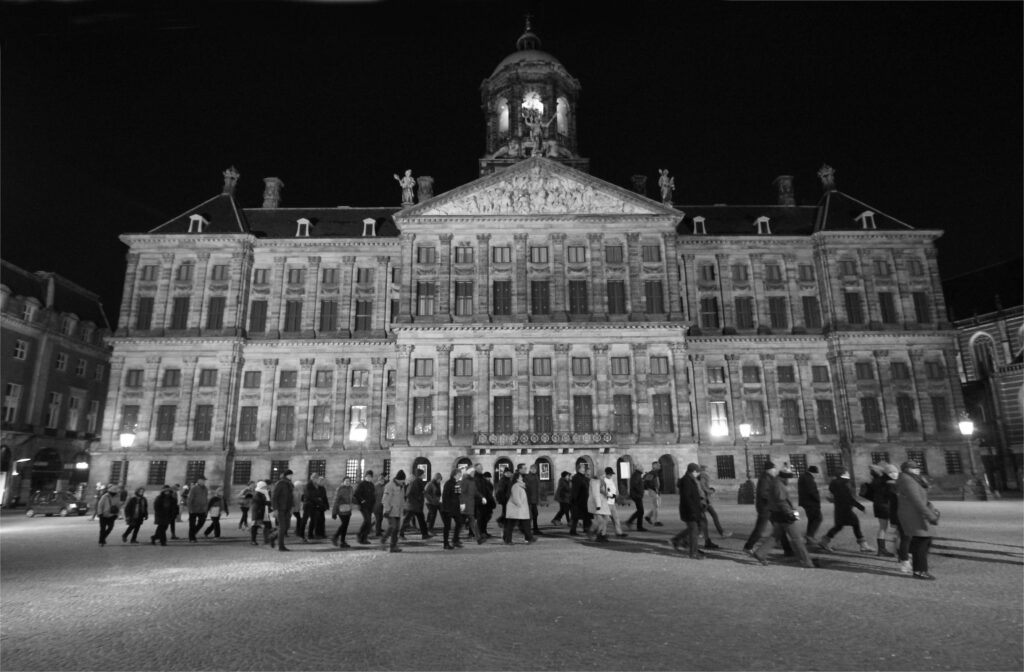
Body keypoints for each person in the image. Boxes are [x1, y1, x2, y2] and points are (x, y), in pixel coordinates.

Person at [754, 467, 814, 568]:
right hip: (783, 514)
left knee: (776, 536)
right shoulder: (778, 485)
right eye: (788, 478)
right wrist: (790, 513)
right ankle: (806, 561)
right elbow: (781, 501)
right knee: (797, 538)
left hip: (777, 513)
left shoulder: (776, 482)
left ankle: (760, 553)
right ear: (785, 477)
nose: (789, 480)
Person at [897, 460, 940, 580]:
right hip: (913, 515)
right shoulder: (908, 480)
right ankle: (919, 570)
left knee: (923, 541)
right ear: (907, 469)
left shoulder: (913, 479)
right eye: (914, 468)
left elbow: (921, 499)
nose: (917, 469)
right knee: (922, 541)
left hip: (916, 514)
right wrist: (930, 516)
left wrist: (930, 508)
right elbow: (916, 501)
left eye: (917, 467)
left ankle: (917, 567)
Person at [819, 468, 871, 553]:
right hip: (845, 509)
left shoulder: (835, 483)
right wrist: (861, 507)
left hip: (839, 508)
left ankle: (824, 541)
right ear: (843, 474)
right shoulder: (843, 484)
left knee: (839, 526)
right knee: (855, 524)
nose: (848, 474)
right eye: (847, 472)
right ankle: (863, 545)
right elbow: (848, 498)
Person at [743, 460, 779, 555]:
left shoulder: (768, 477)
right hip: (765, 508)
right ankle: (748, 546)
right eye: (774, 468)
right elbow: (763, 493)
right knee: (760, 530)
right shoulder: (765, 478)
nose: (775, 470)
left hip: (770, 507)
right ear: (769, 469)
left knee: (778, 527)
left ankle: (786, 547)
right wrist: (774, 498)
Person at [671, 463, 705, 559]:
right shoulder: (687, 480)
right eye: (697, 472)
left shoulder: (690, 479)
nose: (697, 474)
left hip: (692, 509)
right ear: (693, 471)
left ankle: (677, 540)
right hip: (689, 510)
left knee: (694, 529)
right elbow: (687, 497)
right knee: (694, 531)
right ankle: (693, 552)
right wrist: (693, 510)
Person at [864, 463, 898, 557]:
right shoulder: (889, 481)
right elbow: (893, 495)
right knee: (898, 528)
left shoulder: (876, 480)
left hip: (877, 505)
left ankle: (881, 550)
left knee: (882, 527)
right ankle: (899, 550)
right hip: (887, 505)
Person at [503, 472, 537, 545]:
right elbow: (515, 498)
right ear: (517, 478)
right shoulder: (516, 486)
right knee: (511, 525)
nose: (522, 478)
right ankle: (508, 540)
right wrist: (520, 505)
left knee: (525, 523)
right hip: (516, 509)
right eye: (521, 477)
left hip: (520, 509)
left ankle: (529, 538)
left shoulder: (521, 485)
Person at [382, 470, 408, 553]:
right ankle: (390, 545)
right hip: (390, 511)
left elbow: (402, 499)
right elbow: (385, 499)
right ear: (398, 479)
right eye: (403, 480)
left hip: (398, 511)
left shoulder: (402, 486)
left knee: (395, 528)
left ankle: (390, 544)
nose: (404, 481)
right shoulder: (389, 486)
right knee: (394, 527)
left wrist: (403, 508)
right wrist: (387, 508)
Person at [401, 468, 432, 540]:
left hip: (415, 505)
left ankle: (425, 534)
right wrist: (417, 499)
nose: (424, 475)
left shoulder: (416, 481)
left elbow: (422, 492)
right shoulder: (417, 481)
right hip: (413, 505)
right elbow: (409, 493)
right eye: (423, 474)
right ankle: (401, 534)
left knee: (421, 520)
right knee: (408, 520)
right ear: (420, 475)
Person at [698, 465, 726, 540]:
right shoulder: (703, 475)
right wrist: (710, 491)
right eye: (706, 468)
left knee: (703, 518)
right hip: (704, 500)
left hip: (703, 500)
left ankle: (700, 533)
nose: (708, 470)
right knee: (710, 517)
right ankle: (721, 533)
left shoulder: (700, 475)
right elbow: (703, 486)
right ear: (704, 469)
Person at [798, 465, 823, 546]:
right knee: (818, 518)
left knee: (812, 519)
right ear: (813, 472)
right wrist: (817, 498)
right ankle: (810, 536)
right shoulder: (808, 478)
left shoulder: (803, 476)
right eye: (816, 473)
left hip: (805, 502)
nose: (816, 475)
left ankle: (810, 537)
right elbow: (812, 491)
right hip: (811, 502)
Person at [270, 470, 295, 552]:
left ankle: (273, 537)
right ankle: (281, 546)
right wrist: (275, 509)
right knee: (282, 527)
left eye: (291, 475)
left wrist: (292, 506)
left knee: (286, 526)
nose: (291, 476)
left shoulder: (290, 484)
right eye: (290, 475)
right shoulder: (280, 483)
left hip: (287, 508)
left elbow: (291, 496)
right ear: (286, 475)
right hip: (280, 508)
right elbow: (274, 497)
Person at [440, 469, 465, 550]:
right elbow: (445, 496)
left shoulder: (456, 483)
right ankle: (446, 544)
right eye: (459, 474)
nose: (460, 476)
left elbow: (457, 495)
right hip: (448, 508)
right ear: (454, 475)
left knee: (459, 522)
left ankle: (455, 540)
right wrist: (447, 508)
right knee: (447, 527)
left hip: (455, 508)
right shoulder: (449, 483)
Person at [460, 466, 484, 544]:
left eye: (474, 472)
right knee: (460, 523)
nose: (474, 473)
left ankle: (478, 538)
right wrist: (462, 503)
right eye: (473, 472)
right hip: (465, 505)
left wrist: (482, 497)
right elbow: (462, 493)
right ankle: (455, 539)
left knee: (472, 521)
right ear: (469, 473)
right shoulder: (465, 481)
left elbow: (475, 491)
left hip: (470, 505)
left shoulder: (472, 481)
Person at [602, 467, 627, 538]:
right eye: (610, 474)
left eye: (611, 474)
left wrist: (617, 497)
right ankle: (602, 533)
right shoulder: (604, 480)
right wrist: (611, 495)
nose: (611, 475)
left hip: (612, 502)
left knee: (616, 518)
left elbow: (614, 490)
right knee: (605, 519)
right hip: (606, 503)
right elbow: (604, 491)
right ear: (606, 473)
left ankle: (619, 532)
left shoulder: (611, 480)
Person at [587, 470, 610, 542]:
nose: (604, 477)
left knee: (606, 518)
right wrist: (598, 505)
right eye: (603, 475)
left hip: (603, 502)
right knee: (600, 520)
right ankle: (593, 532)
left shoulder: (601, 481)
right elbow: (595, 494)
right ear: (599, 476)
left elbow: (603, 491)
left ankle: (602, 534)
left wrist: (607, 494)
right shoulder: (595, 482)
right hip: (597, 503)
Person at [331, 476, 354, 548]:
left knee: (345, 526)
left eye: (349, 481)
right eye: (346, 481)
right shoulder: (340, 489)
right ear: (343, 482)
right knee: (344, 524)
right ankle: (336, 537)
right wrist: (334, 512)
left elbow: (352, 498)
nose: (348, 482)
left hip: (348, 510)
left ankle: (342, 541)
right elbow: (336, 501)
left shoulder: (351, 489)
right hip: (341, 510)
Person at [301, 476, 326, 542]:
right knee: (304, 520)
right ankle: (301, 534)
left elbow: (318, 495)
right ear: (313, 479)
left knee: (313, 520)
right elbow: (309, 495)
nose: (317, 480)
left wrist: (318, 499)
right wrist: (318, 499)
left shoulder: (316, 486)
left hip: (314, 505)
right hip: (308, 505)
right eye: (316, 479)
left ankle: (310, 534)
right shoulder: (308, 485)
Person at [354, 471, 376, 545]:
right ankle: (361, 536)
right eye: (368, 476)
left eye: (370, 476)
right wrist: (362, 500)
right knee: (367, 521)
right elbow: (356, 494)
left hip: (370, 506)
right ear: (365, 476)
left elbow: (373, 495)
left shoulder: (372, 485)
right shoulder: (362, 484)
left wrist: (373, 503)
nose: (369, 478)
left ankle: (363, 537)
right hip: (364, 506)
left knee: (368, 522)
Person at [568, 463, 591, 536]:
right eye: (583, 468)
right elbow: (575, 489)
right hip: (578, 500)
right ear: (579, 469)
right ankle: (573, 530)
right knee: (576, 516)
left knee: (586, 515)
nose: (584, 470)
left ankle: (586, 528)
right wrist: (574, 499)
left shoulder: (584, 478)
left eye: (584, 468)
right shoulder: (577, 477)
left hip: (584, 499)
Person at [186, 476, 209, 543]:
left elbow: (206, 499)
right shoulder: (194, 488)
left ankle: (193, 534)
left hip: (202, 509)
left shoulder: (205, 489)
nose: (204, 481)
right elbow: (189, 499)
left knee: (201, 522)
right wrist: (190, 509)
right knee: (192, 524)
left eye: (204, 480)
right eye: (203, 480)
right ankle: (192, 538)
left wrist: (206, 509)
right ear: (198, 481)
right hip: (194, 509)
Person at [250, 481, 273, 546]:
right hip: (258, 512)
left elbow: (267, 502)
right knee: (255, 526)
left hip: (264, 512)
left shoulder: (264, 493)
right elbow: (261, 502)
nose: (265, 488)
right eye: (264, 487)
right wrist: (267, 502)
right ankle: (253, 540)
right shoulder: (257, 493)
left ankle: (267, 540)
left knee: (267, 526)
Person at [624, 466, 646, 531]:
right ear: (640, 469)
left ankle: (638, 526)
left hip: (637, 495)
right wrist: (640, 492)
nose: (643, 470)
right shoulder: (636, 475)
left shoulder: (637, 475)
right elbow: (634, 485)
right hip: (637, 495)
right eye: (642, 469)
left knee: (640, 511)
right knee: (641, 511)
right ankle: (631, 522)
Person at [643, 462, 663, 527]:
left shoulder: (655, 473)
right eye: (658, 465)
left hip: (655, 491)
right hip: (653, 491)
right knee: (655, 506)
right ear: (655, 466)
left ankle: (648, 516)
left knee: (657, 505)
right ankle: (656, 521)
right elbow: (647, 482)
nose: (660, 465)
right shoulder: (652, 473)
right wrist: (654, 489)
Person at [525, 464, 542, 535]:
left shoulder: (536, 476)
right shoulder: (528, 477)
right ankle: (532, 529)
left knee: (534, 514)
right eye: (533, 469)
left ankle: (534, 528)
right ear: (530, 469)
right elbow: (527, 488)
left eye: (535, 469)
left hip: (534, 498)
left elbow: (537, 488)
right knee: (532, 514)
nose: (534, 470)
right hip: (530, 499)